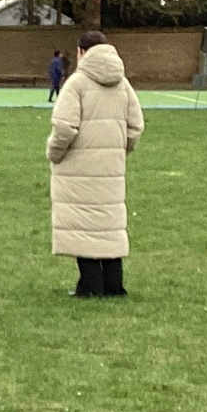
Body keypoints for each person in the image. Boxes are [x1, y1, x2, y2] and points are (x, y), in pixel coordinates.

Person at [48, 31, 143, 298]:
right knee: (108, 224)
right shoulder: (123, 84)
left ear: (81, 52)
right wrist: (119, 150)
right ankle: (113, 286)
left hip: (78, 167)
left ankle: (90, 286)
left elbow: (65, 128)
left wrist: (54, 153)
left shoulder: (77, 84)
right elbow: (136, 126)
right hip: (111, 167)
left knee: (83, 223)